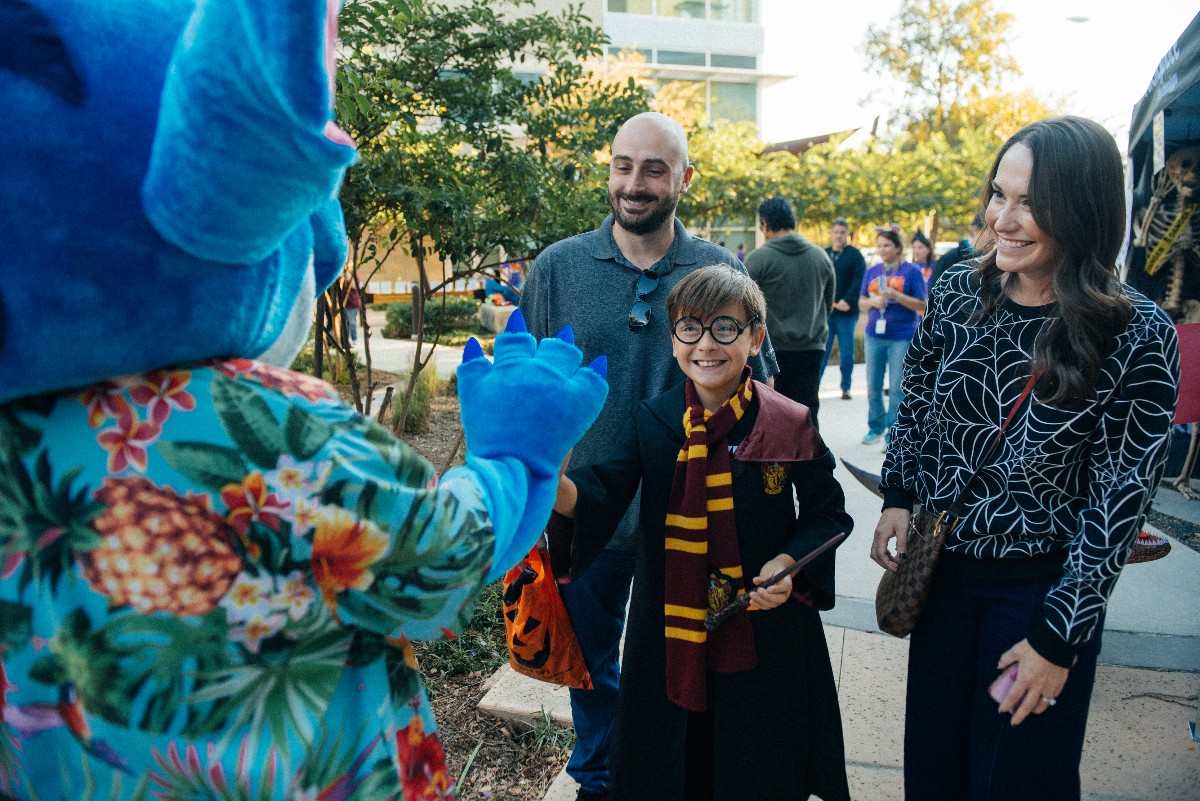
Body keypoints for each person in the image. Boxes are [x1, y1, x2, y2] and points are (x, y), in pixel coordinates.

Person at [870, 116, 1179, 801]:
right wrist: (898, 494)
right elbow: (918, 398)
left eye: (1030, 203)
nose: (1001, 218)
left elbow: (1119, 500)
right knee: (935, 771)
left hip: (1039, 593)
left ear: (1082, 208)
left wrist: (1058, 638)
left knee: (1016, 777)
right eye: (998, 194)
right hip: (943, 578)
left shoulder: (1134, 331)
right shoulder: (958, 291)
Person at [519, 112, 777, 801]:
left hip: (687, 521)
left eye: (654, 168)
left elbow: (762, 390)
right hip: (587, 511)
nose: (634, 183)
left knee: (677, 672)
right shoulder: (556, 269)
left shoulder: (721, 268)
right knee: (591, 666)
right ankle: (599, 783)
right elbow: (530, 388)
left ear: (684, 179)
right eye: (622, 165)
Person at [552, 265, 852, 801]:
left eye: (725, 328)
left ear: (756, 338)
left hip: (764, 629)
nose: (706, 345)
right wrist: (552, 482)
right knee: (673, 761)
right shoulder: (654, 420)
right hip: (671, 624)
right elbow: (604, 491)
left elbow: (829, 514)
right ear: (673, 341)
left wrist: (790, 562)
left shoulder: (787, 421)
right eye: (690, 328)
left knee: (754, 760)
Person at [745, 196, 835, 426]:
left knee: (771, 413)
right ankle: (811, 460)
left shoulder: (759, 259)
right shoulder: (820, 256)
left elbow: (742, 306)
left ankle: (778, 462)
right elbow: (828, 303)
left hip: (769, 350)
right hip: (811, 347)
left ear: (764, 224)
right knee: (807, 411)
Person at [859, 228, 927, 445]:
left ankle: (893, 432)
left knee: (897, 387)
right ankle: (875, 427)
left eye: (887, 245)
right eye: (879, 245)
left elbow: (923, 305)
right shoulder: (872, 272)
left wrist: (896, 295)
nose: (882, 249)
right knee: (873, 385)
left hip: (902, 336)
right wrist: (873, 302)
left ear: (897, 247)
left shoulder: (912, 271)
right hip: (874, 335)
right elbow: (860, 303)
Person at [820, 217, 867, 400]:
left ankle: (845, 387)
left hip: (847, 313)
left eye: (842, 232)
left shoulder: (855, 256)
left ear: (848, 235)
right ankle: (816, 384)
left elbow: (859, 280)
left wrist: (848, 300)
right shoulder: (823, 254)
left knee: (847, 351)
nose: (839, 236)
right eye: (836, 232)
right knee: (823, 349)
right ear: (831, 234)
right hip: (827, 313)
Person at [929, 213, 986, 287]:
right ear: (975, 230)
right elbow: (934, 292)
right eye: (991, 231)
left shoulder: (990, 259)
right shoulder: (949, 259)